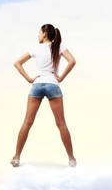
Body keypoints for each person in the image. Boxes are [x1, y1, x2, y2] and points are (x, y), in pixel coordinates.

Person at [11, 24, 77, 168]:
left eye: (39, 33)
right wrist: (61, 78)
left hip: (37, 85)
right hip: (53, 85)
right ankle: (71, 159)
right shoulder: (58, 46)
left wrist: (29, 78)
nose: (38, 35)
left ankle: (16, 157)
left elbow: (17, 63)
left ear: (45, 33)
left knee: (27, 123)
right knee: (61, 124)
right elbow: (72, 61)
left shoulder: (35, 48)